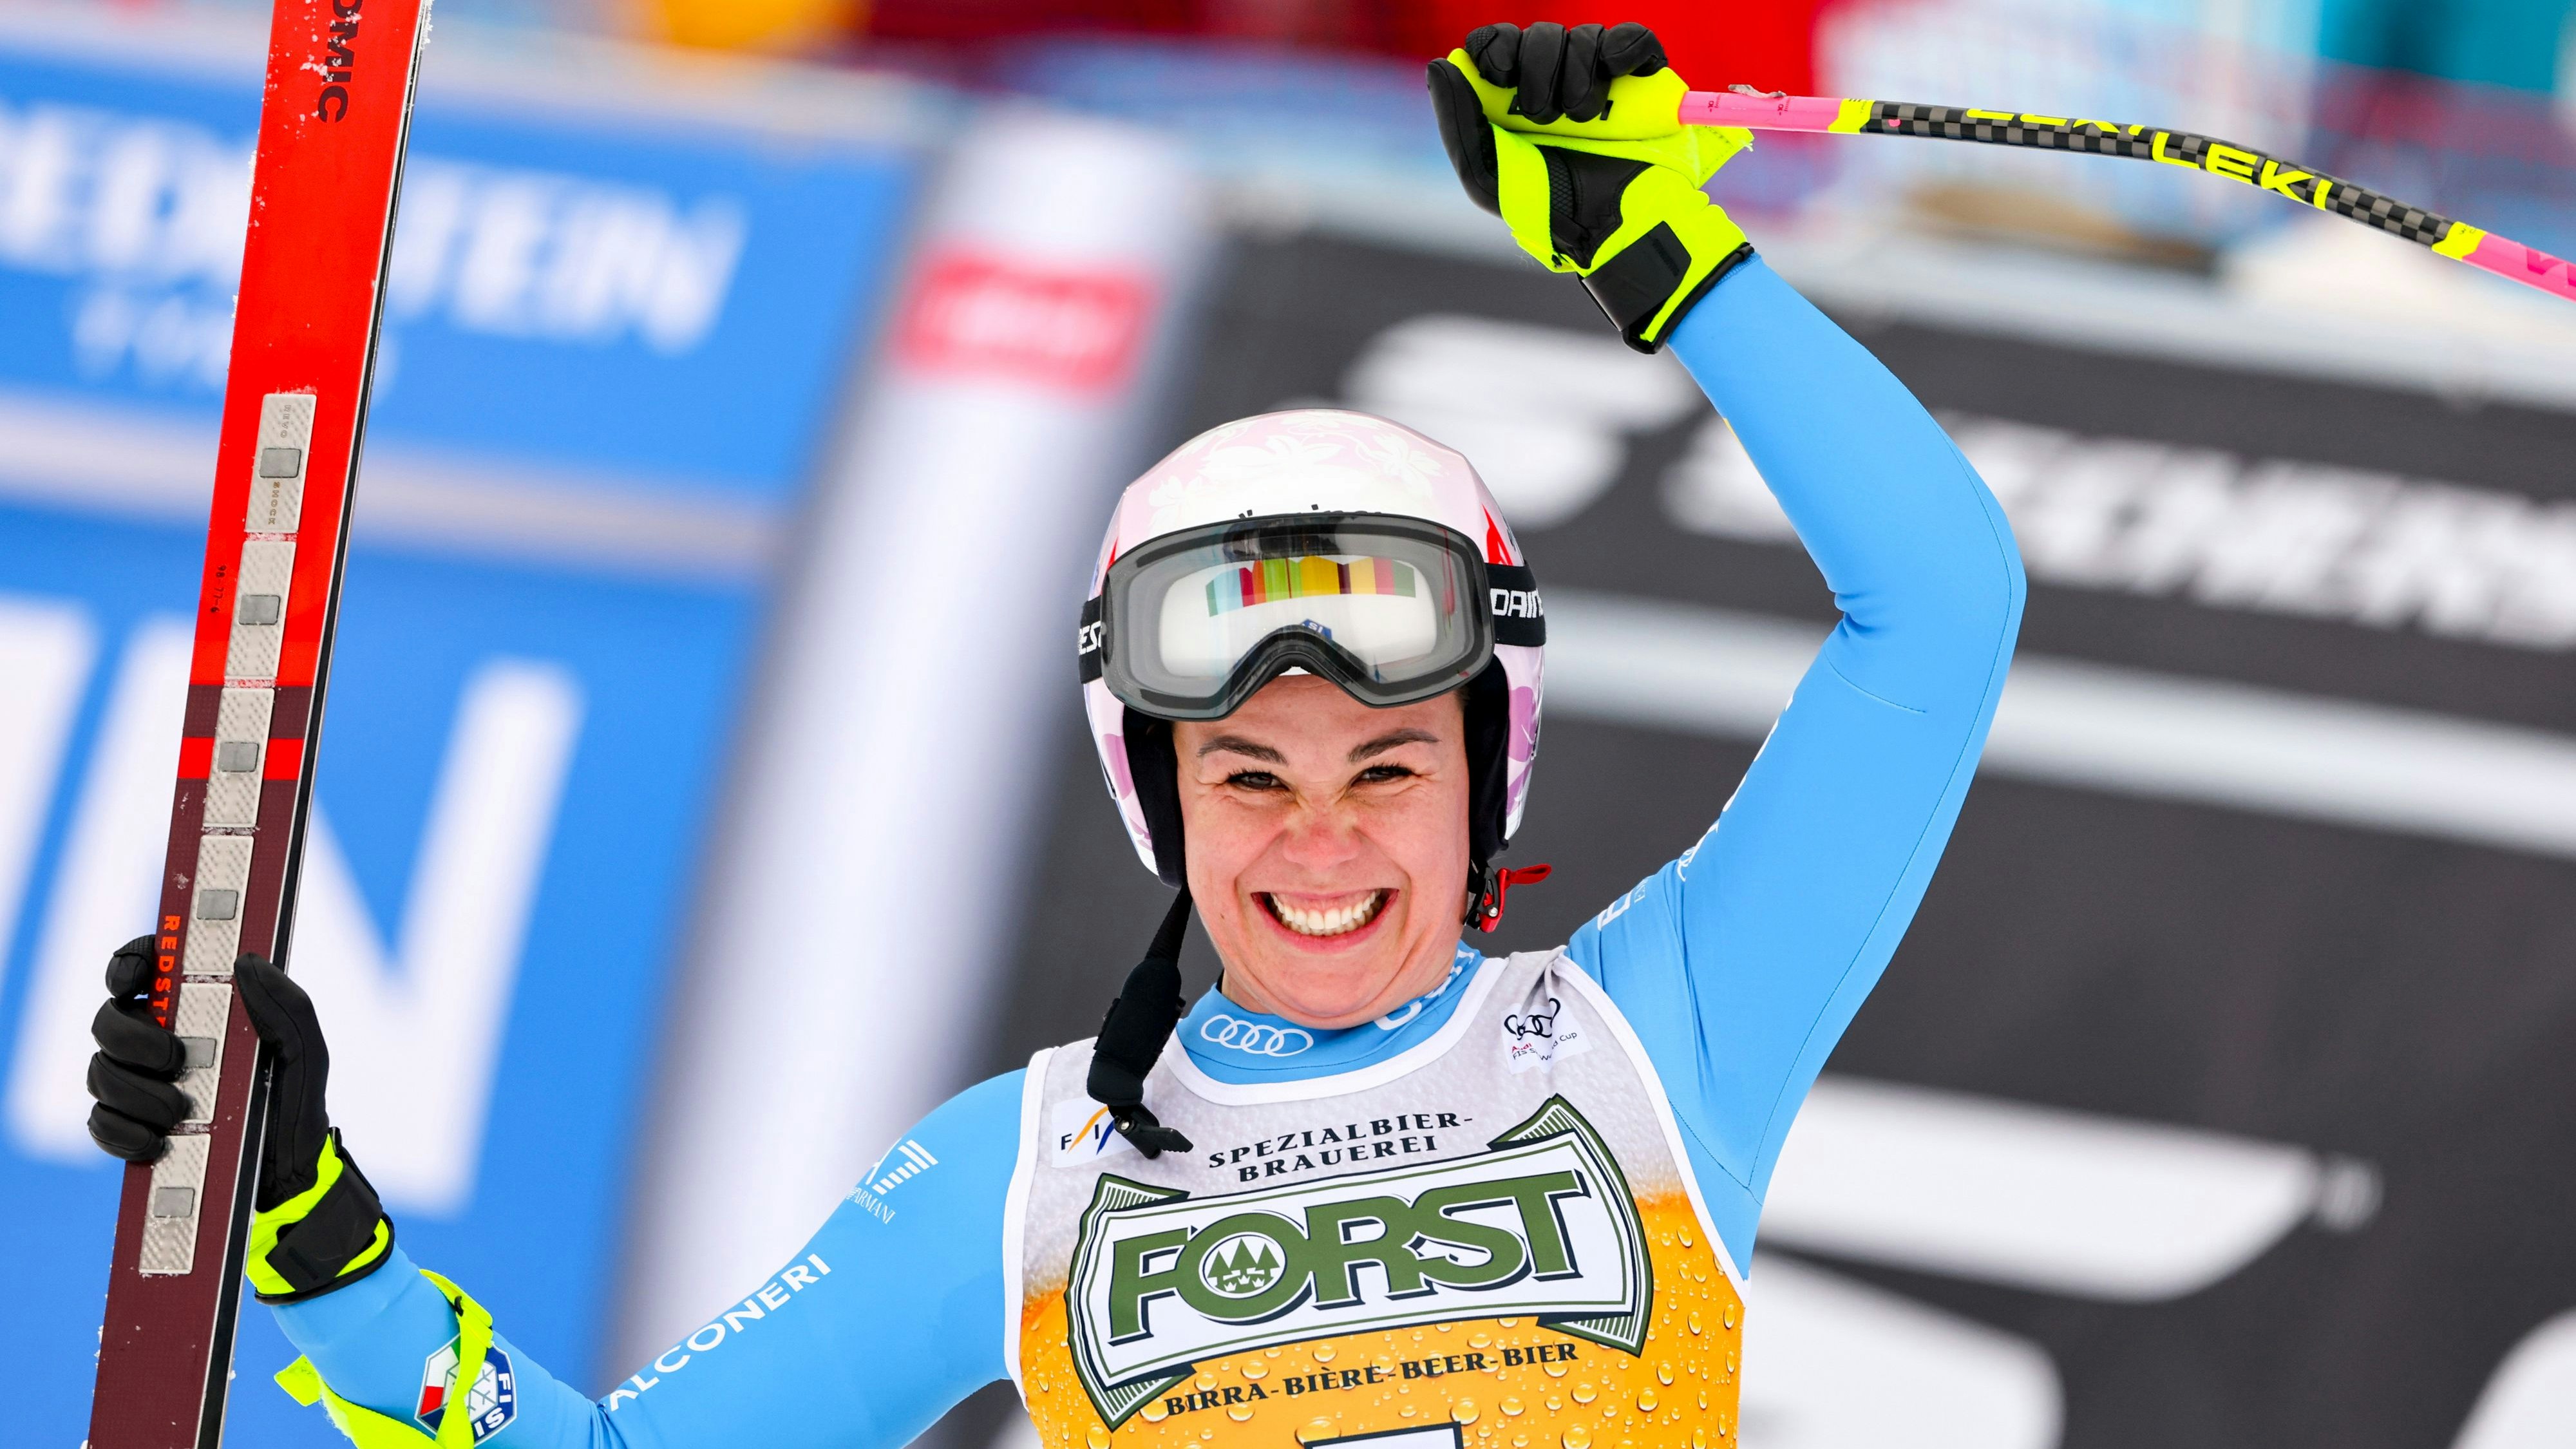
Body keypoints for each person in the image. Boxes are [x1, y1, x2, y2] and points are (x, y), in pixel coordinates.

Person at [82, 21, 2023, 1449]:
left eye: (1385, 771)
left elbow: (1941, 607)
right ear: (1162, 805)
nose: (1320, 843)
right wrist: (317, 1240)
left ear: (1486, 770)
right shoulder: (1022, 1166)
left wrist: (1662, 249)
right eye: (1249, 779)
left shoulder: (1666, 1028)